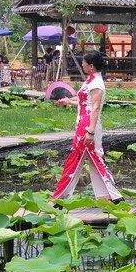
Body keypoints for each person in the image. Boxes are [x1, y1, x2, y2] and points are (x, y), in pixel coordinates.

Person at [52, 51, 123, 202]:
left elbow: (96, 107)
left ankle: (60, 197)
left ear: (91, 66)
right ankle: (110, 197)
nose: (82, 64)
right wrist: (69, 102)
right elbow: (86, 103)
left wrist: (90, 131)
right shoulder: (90, 81)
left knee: (76, 159)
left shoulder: (96, 83)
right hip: (84, 124)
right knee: (95, 158)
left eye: (84, 63)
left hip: (88, 125)